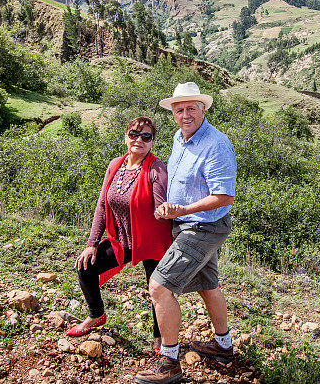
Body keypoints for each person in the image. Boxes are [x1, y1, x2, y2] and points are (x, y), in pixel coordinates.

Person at [135, 82, 237, 384]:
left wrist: (181, 210)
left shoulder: (215, 144)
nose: (185, 114)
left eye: (191, 108)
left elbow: (224, 196)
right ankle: (223, 346)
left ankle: (169, 361)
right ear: (173, 114)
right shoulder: (181, 139)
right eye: (179, 110)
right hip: (190, 224)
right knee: (208, 286)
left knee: (159, 287)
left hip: (203, 226)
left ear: (202, 109)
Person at [70, 116, 173, 353]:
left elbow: (161, 205)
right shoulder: (115, 164)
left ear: (152, 142)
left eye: (146, 136)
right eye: (134, 134)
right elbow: (102, 205)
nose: (139, 140)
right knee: (85, 267)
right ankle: (97, 315)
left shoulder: (156, 168)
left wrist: (166, 210)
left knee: (157, 290)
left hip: (152, 241)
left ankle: (160, 340)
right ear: (125, 137)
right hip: (123, 240)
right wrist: (92, 243)